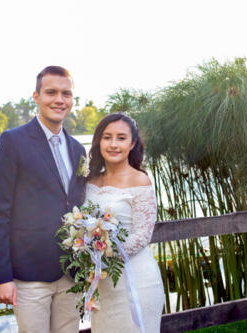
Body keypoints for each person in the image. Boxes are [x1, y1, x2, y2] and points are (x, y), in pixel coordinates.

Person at [0, 66, 86, 333]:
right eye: (51, 92)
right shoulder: (12, 142)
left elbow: (79, 207)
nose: (59, 99)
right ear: (36, 96)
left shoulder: (78, 149)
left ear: (72, 99)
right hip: (29, 276)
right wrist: (2, 277)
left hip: (71, 273)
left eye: (66, 93)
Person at [85, 113, 164, 332]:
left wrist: (102, 254)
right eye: (107, 137)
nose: (113, 144)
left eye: (121, 138)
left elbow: (142, 236)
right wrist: (84, 252)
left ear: (133, 143)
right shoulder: (90, 180)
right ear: (98, 141)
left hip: (136, 280)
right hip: (103, 284)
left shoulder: (140, 180)